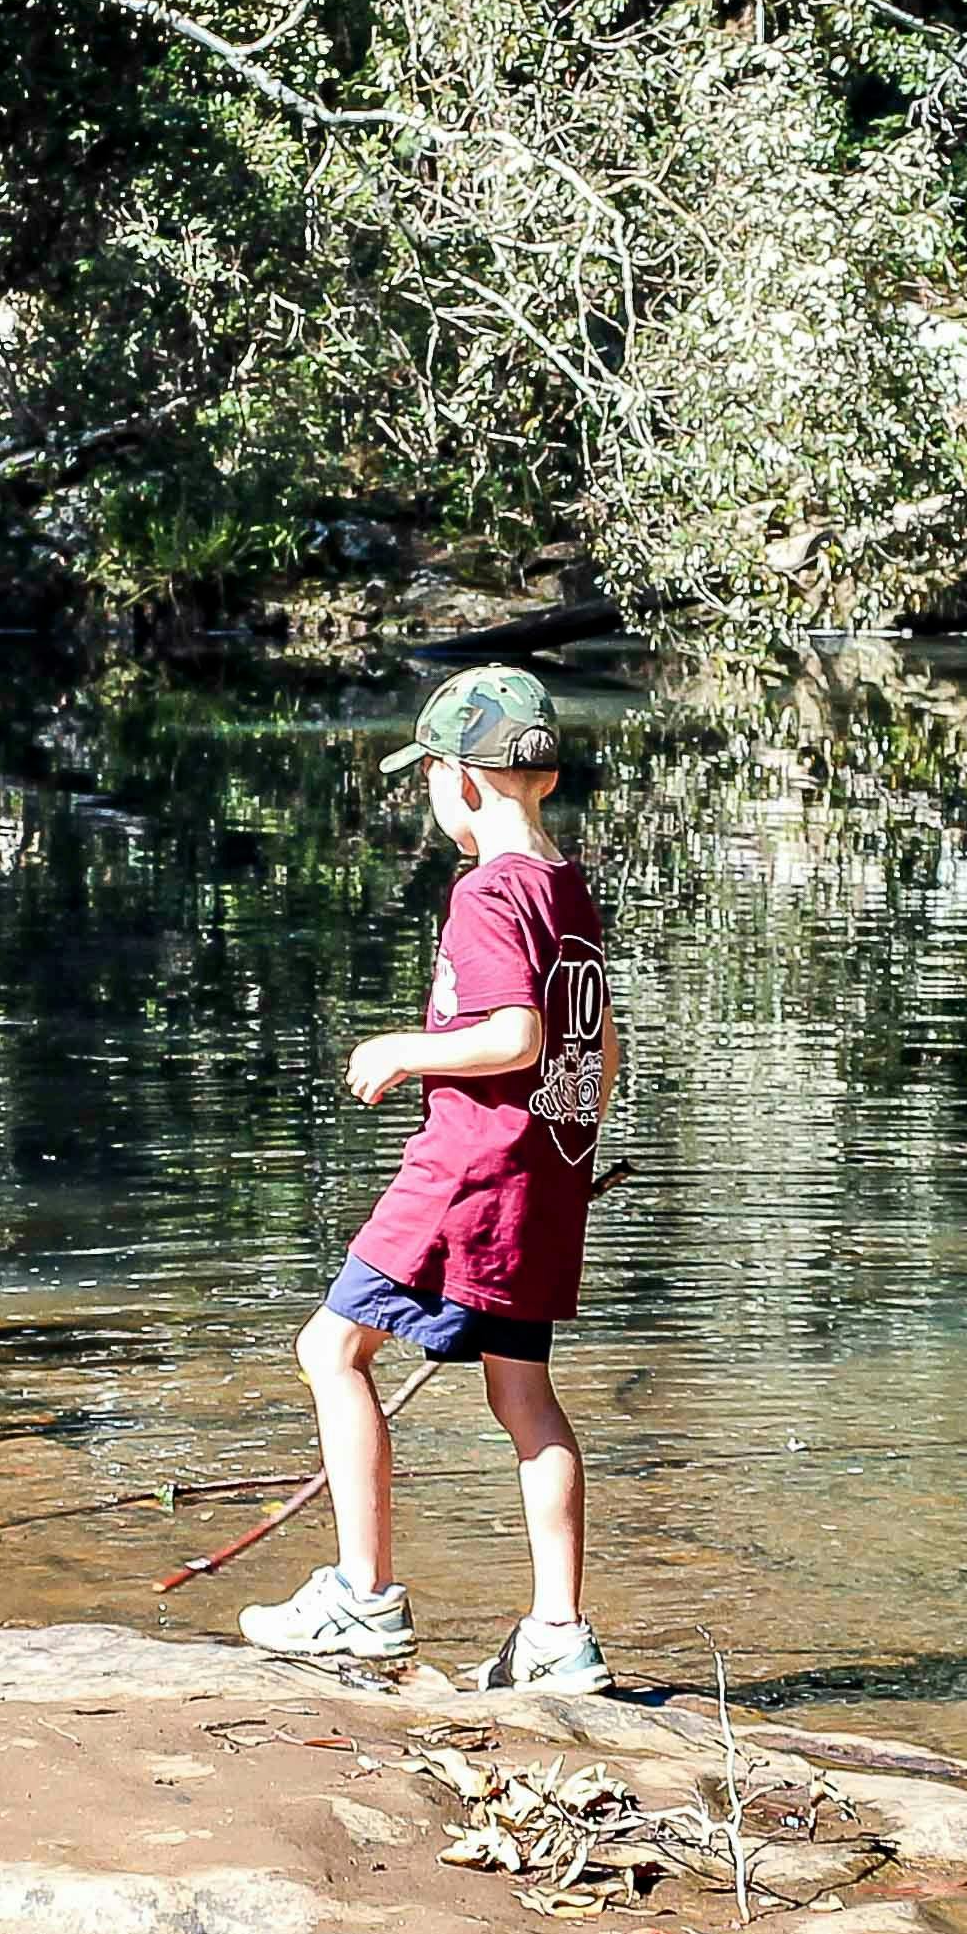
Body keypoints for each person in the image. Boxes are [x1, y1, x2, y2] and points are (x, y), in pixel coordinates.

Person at [243, 663, 619, 1692]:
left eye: (427, 780)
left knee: (329, 1349)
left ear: (460, 780)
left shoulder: (486, 893)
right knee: (524, 1394)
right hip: (537, 1174)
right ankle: (557, 1636)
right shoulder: (565, 888)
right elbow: (597, 1047)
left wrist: (403, 1049)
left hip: (465, 1171)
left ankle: (364, 1602)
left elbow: (513, 1035)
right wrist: (566, 1157)